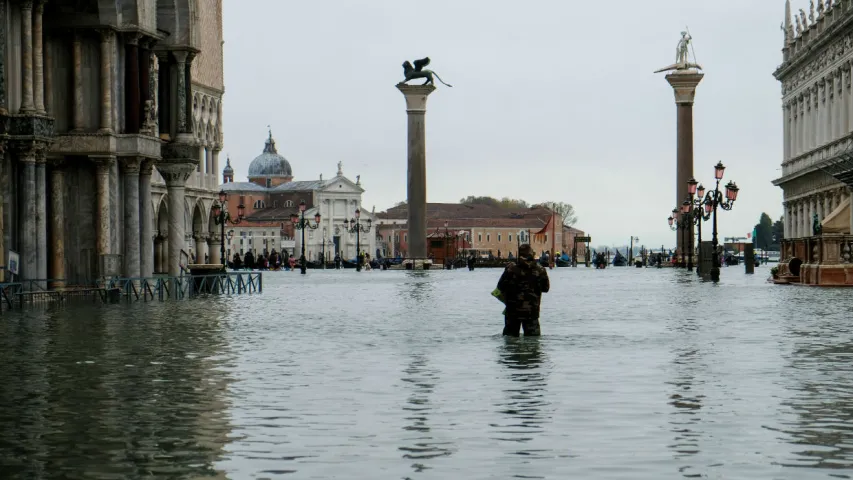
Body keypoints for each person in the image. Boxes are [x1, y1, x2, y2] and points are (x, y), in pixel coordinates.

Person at [496, 244, 549, 337]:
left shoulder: (511, 269)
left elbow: (500, 287)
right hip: (532, 311)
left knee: (510, 342)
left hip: (512, 311)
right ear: (531, 254)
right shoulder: (540, 270)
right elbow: (546, 288)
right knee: (533, 342)